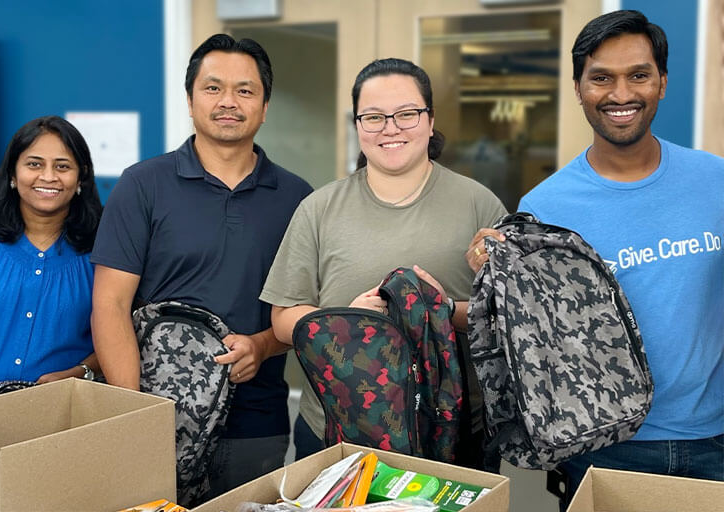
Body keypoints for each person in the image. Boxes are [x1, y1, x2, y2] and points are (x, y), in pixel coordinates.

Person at [469, 10, 724, 509]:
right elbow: (535, 344)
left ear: (663, 83)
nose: (621, 94)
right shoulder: (545, 209)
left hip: (716, 438)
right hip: (604, 443)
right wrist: (492, 283)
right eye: (601, 78)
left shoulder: (716, 181)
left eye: (639, 75)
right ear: (579, 88)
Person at [90, 34, 312, 503]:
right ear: (190, 100)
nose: (228, 102)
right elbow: (110, 304)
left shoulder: (297, 198)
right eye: (213, 88)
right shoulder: (142, 185)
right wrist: (136, 414)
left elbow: (303, 310)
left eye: (245, 90)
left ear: (265, 106)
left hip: (256, 421)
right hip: (158, 416)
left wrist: (262, 345)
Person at [260, 58, 507, 467]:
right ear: (357, 126)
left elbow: (507, 320)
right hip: (336, 430)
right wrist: (345, 324)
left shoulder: (478, 205)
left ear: (430, 121)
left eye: (407, 114)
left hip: (452, 432)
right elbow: (284, 318)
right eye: (374, 117)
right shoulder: (318, 209)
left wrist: (444, 311)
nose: (390, 128)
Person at [0, 115, 103, 402]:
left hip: (61, 424)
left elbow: (124, 335)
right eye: (34, 164)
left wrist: (81, 370)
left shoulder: (104, 250)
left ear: (81, 177)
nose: (48, 177)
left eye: (62, 166)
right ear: (13, 174)